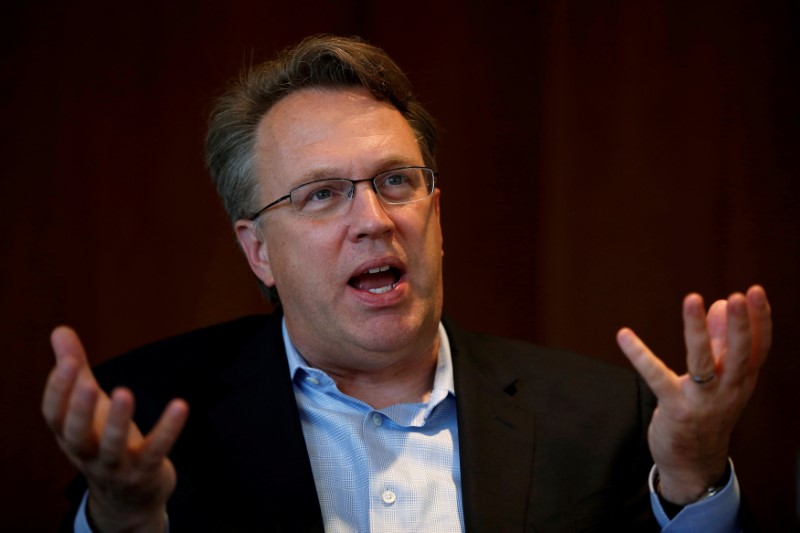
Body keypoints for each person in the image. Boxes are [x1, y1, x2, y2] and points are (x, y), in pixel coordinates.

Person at [42, 35, 772, 532]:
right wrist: (123, 520)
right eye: (322, 193)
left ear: (437, 216)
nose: (373, 219)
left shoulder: (607, 416)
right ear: (258, 250)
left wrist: (693, 478)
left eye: (397, 181)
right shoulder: (147, 425)